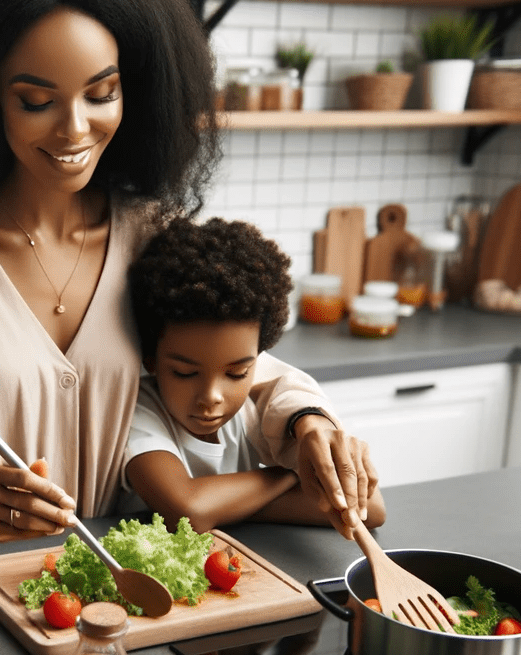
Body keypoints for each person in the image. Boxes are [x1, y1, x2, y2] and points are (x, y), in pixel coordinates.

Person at [0, 0, 377, 585]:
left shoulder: (153, 235)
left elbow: (238, 367)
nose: (74, 128)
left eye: (102, 93)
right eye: (36, 99)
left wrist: (306, 423)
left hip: (129, 592)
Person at [122, 217, 386, 533]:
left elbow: (370, 507)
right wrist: (291, 473)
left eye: (236, 373)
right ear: (151, 359)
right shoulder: (136, 411)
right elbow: (188, 509)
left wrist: (225, 506)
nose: (211, 396)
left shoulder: (256, 405)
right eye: (185, 372)